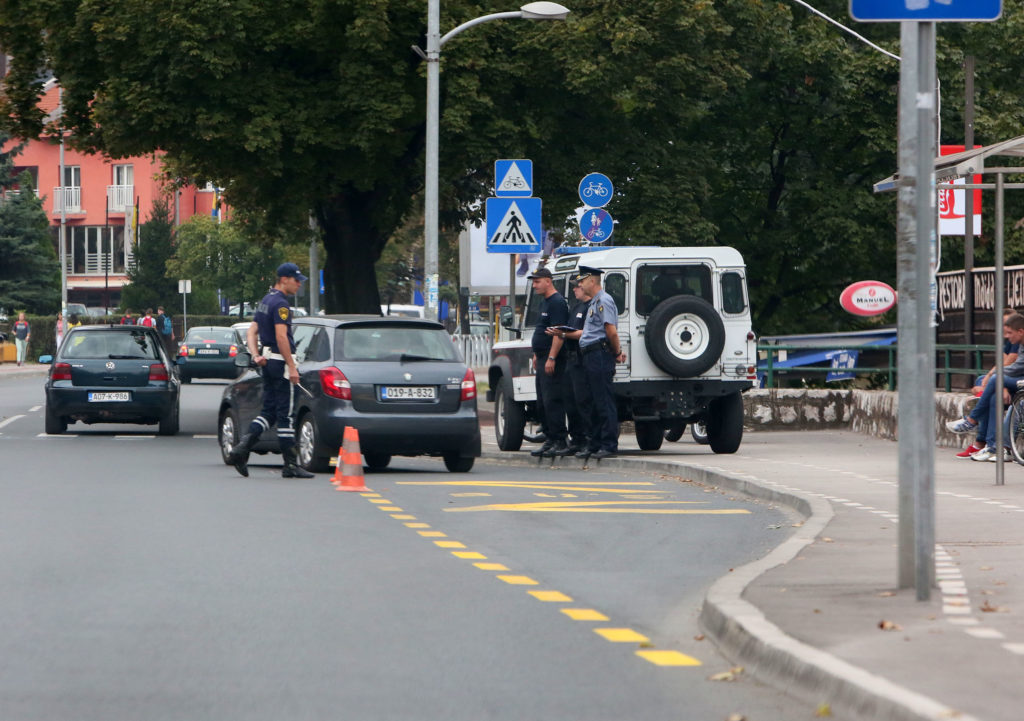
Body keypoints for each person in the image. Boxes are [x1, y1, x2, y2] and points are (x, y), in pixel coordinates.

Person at [226, 263, 315, 479]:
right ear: (284, 279)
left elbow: (252, 331)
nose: (299, 284)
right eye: (296, 280)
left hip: (268, 362)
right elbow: (282, 337)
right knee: (287, 414)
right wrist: (291, 367)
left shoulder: (266, 301)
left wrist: (256, 355)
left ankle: (242, 448)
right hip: (281, 363)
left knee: (269, 412)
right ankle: (290, 464)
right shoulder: (281, 304)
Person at [560, 266, 626, 460]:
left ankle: (609, 444)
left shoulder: (604, 300)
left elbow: (611, 331)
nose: (580, 285)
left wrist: (617, 352)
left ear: (592, 281)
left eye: (582, 281)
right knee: (593, 402)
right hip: (589, 355)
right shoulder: (594, 302)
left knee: (603, 401)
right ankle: (595, 443)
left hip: (599, 354)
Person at [947, 312, 1024, 461]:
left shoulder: (1018, 345)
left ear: (1020, 331)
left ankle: (972, 420)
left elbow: (1016, 367)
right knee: (995, 396)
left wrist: (994, 374)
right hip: (1018, 379)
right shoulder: (1020, 344)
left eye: (1009, 332)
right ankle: (993, 447)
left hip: (1020, 379)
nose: (1006, 336)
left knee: (994, 379)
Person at [527, 267, 570, 457]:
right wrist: (537, 354)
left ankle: (560, 440)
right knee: (542, 402)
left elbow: (559, 333)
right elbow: (543, 329)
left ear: (548, 281)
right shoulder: (544, 302)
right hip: (543, 356)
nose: (534, 286)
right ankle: (550, 438)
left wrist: (552, 357)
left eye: (537, 282)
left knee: (552, 400)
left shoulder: (557, 302)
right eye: (534, 282)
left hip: (553, 358)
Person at [547, 278, 592, 454]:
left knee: (584, 402)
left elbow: (588, 333)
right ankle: (576, 439)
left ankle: (588, 440)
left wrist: (563, 334)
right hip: (570, 359)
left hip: (583, 359)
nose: (574, 289)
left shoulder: (591, 307)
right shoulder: (575, 308)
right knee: (570, 401)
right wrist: (561, 332)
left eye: (577, 286)